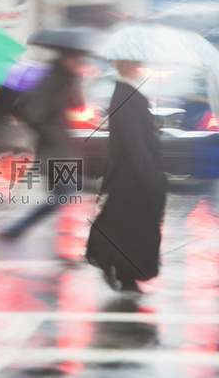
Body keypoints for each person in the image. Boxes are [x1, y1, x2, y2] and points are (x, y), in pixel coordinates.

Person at [83, 60, 168, 293]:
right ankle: (116, 265)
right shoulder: (127, 95)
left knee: (123, 221)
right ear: (130, 66)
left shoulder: (125, 92)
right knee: (134, 225)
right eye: (137, 64)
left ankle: (121, 270)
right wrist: (146, 173)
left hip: (128, 172)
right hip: (133, 173)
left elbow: (135, 133)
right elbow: (133, 141)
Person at [0, 48, 86, 239]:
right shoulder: (53, 80)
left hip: (57, 148)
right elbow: (33, 113)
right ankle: (18, 230)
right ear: (67, 57)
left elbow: (77, 105)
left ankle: (19, 230)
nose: (80, 62)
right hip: (54, 150)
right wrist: (51, 133)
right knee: (64, 193)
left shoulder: (64, 79)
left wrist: (75, 85)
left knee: (64, 193)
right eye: (77, 58)